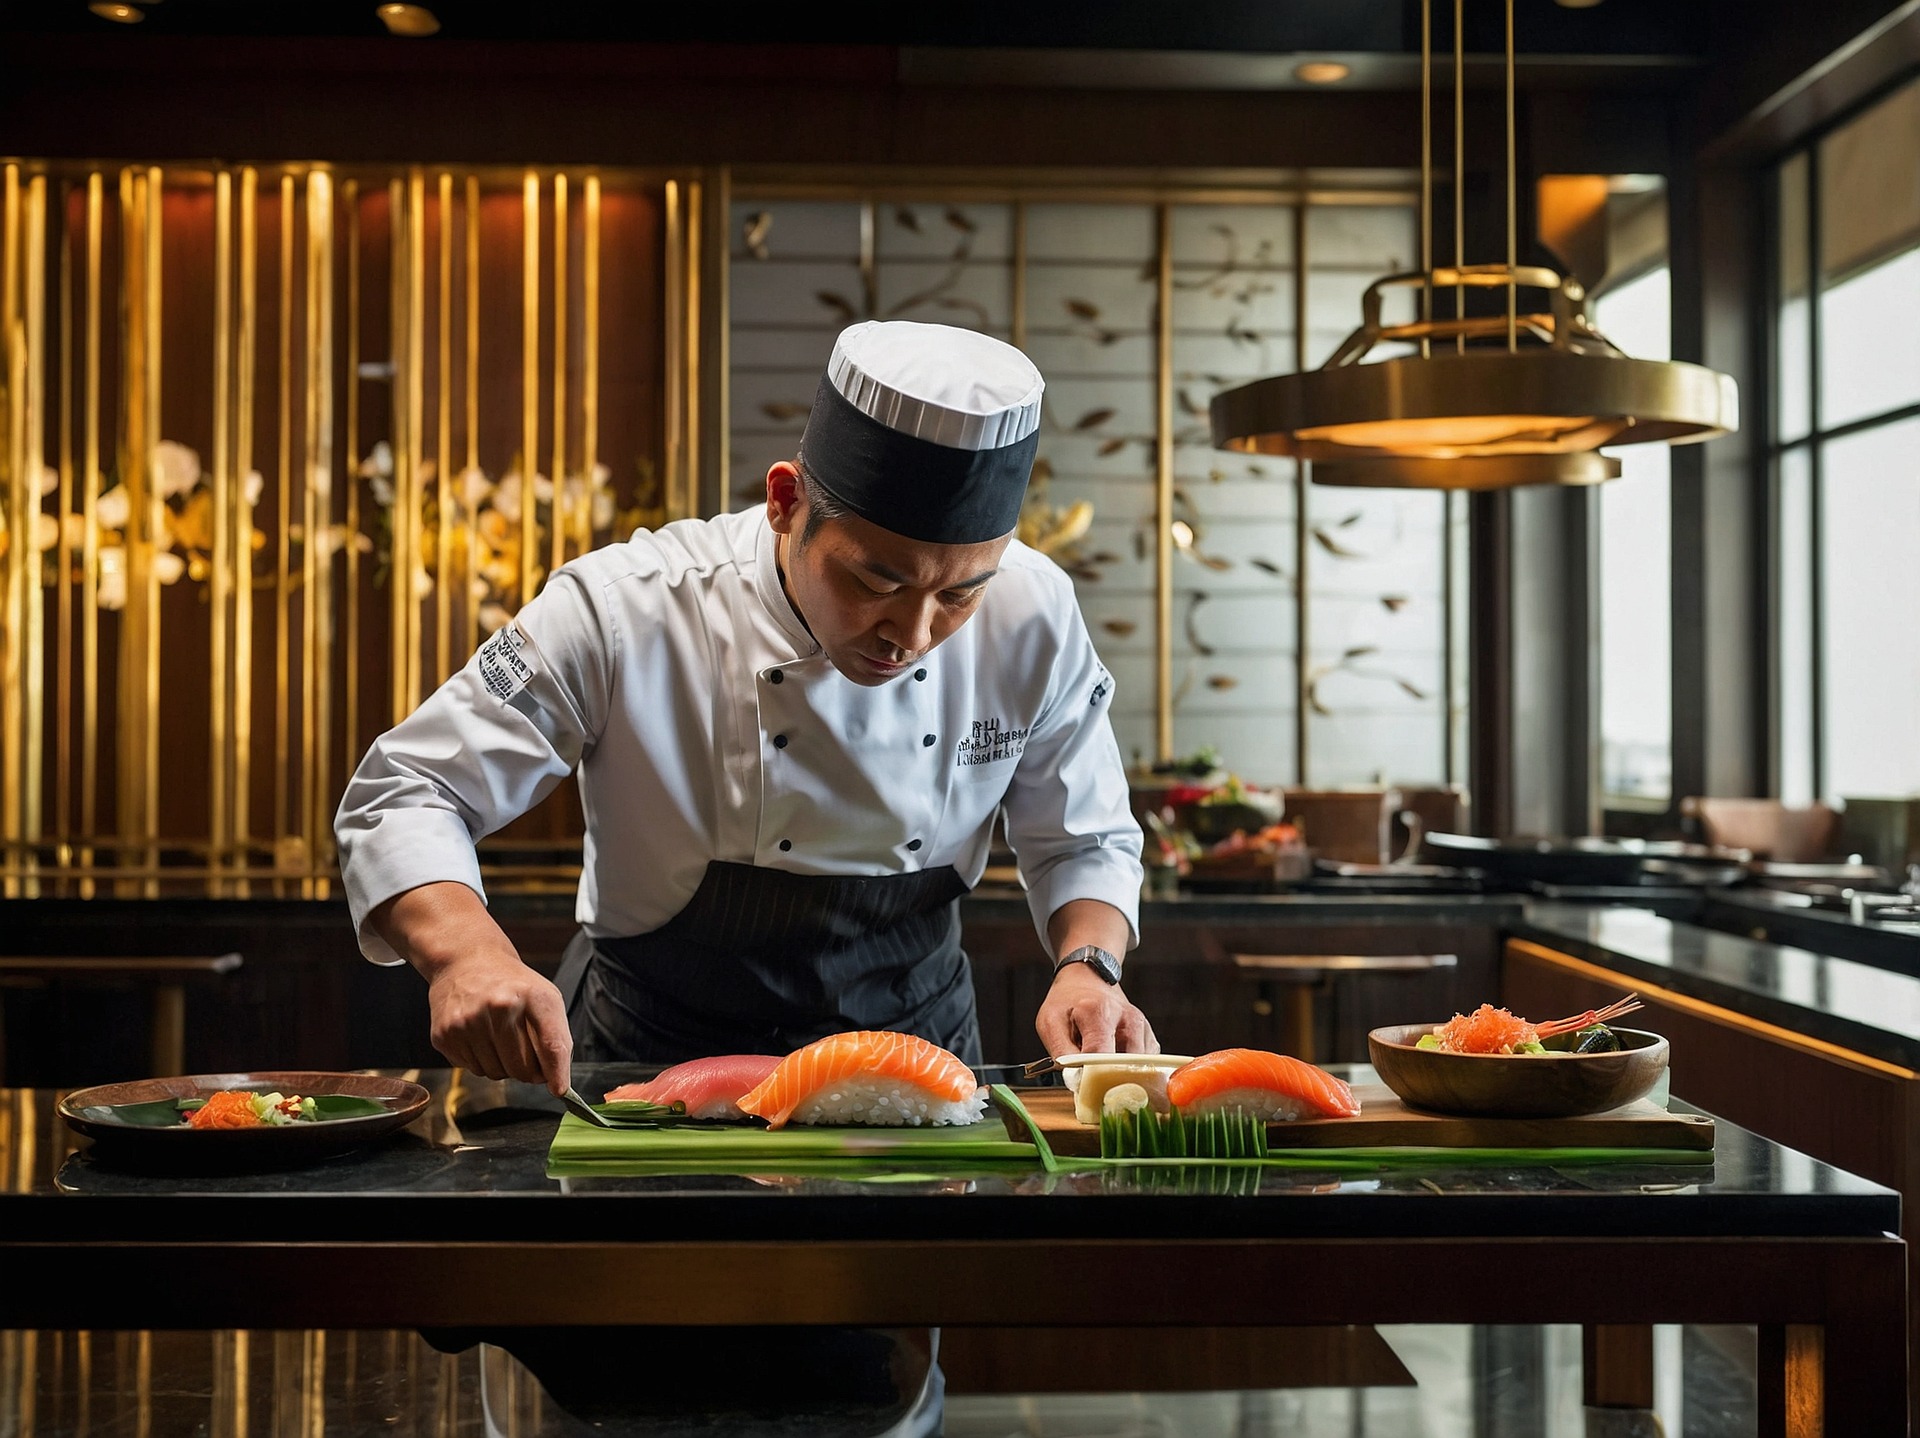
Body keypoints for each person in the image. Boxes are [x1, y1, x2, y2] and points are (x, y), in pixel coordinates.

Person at [336, 319, 1154, 1097]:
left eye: (960, 594)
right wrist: (467, 955)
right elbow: (408, 790)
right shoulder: (626, 607)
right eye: (877, 581)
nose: (913, 633)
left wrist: (1090, 966)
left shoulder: (1034, 610)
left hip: (916, 1057)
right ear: (786, 502)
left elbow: (1084, 834)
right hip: (652, 1055)